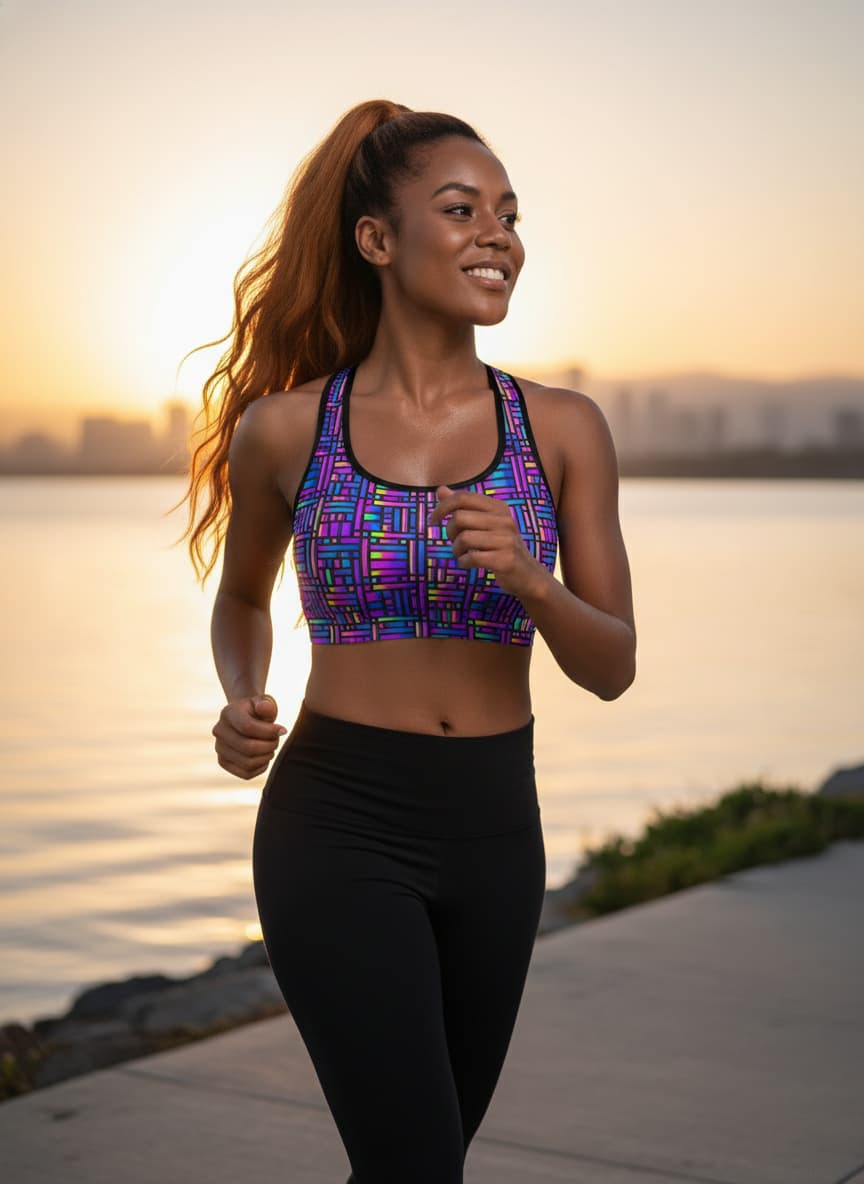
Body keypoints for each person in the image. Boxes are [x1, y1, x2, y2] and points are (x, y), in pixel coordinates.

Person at [180, 98, 636, 1184]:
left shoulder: (561, 427)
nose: (498, 235)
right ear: (377, 239)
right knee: (417, 1165)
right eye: (462, 209)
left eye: (509, 215)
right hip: (337, 820)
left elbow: (612, 664)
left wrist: (530, 578)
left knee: (419, 1164)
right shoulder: (287, 428)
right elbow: (242, 599)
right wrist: (242, 695)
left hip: (496, 830)